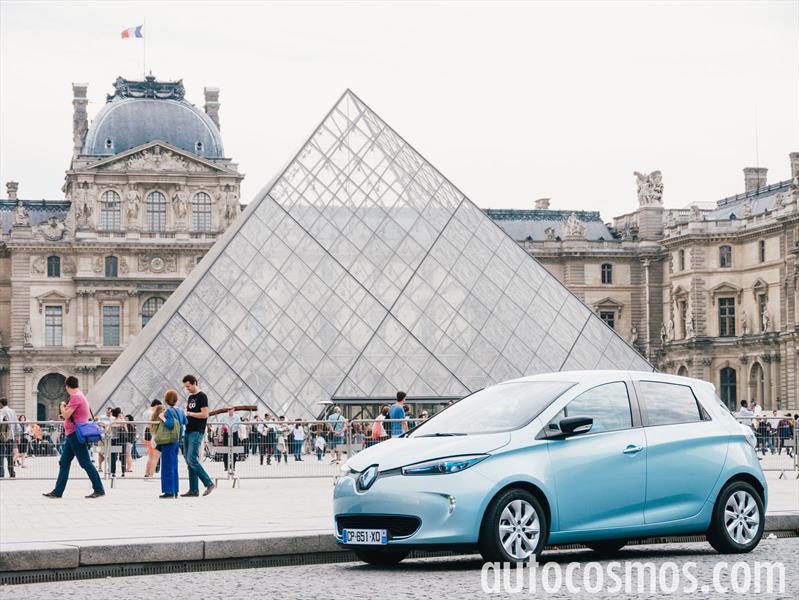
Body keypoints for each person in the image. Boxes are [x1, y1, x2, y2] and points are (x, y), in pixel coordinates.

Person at [43, 376, 105, 498]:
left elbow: (66, 415)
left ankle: (99, 489)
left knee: (85, 462)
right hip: (72, 434)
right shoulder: (80, 395)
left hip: (75, 434)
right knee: (64, 462)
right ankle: (57, 492)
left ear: (67, 386)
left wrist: (61, 405)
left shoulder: (76, 397)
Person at [181, 374, 215, 497]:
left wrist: (189, 414)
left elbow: (205, 414)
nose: (187, 389)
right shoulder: (190, 398)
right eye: (185, 387)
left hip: (197, 431)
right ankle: (193, 489)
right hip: (188, 430)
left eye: (188, 386)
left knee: (191, 459)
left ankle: (209, 483)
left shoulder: (202, 396)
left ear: (195, 383)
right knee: (189, 460)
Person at [154, 390, 187, 499]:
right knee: (174, 465)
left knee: (167, 465)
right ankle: (175, 490)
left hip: (168, 441)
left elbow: (170, 424)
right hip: (177, 440)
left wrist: (162, 417)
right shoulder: (181, 410)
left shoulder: (168, 412)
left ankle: (168, 491)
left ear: (166, 400)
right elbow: (185, 422)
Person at [218, 407, 242, 472]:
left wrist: (240, 435)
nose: (229, 410)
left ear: (233, 409)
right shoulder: (224, 417)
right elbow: (220, 426)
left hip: (234, 434)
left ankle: (233, 465)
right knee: (225, 450)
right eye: (228, 409)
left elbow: (240, 426)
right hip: (226, 434)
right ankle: (226, 466)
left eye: (231, 409)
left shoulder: (237, 417)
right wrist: (220, 435)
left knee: (234, 450)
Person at [144, 400, 162, 480]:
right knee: (153, 456)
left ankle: (147, 474)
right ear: (156, 405)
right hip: (151, 434)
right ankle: (149, 474)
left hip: (146, 433)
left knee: (150, 456)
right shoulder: (151, 413)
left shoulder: (145, 412)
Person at [0, 399, 16, 478]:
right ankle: (12, 473)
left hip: (2, 437)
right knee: (10, 455)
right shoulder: (13, 411)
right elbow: (17, 424)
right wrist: (17, 435)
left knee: (1, 455)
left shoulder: (1, 411)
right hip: (11, 436)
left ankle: (1, 473)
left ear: (1, 404)